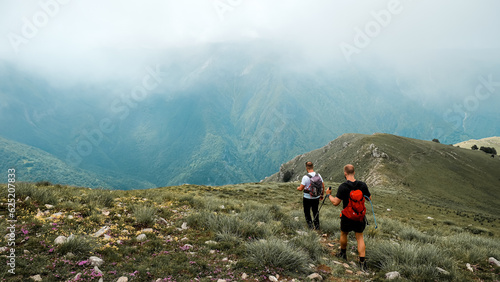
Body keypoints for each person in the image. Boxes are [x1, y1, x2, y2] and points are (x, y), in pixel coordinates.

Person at [325, 164, 371, 271]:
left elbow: (335, 203)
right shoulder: (362, 185)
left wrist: (329, 195)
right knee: (359, 237)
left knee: (344, 233)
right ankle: (362, 262)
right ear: (354, 172)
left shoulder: (343, 186)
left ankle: (343, 254)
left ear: (345, 173)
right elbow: (369, 198)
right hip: (359, 217)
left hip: (347, 216)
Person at [297, 161, 325, 230]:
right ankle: (317, 227)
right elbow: (323, 186)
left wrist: (298, 188)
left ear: (306, 168)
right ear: (313, 167)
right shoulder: (318, 175)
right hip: (316, 197)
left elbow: (301, 189)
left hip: (307, 198)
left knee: (307, 212)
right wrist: (321, 195)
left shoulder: (305, 177)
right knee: (315, 211)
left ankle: (310, 227)